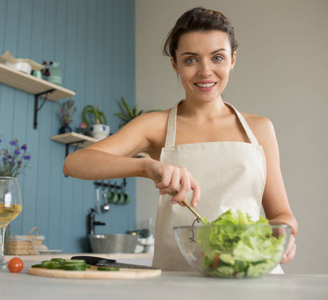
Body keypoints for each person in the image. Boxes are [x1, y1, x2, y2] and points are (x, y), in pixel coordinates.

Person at [63, 7, 297, 271]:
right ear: (174, 63)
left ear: (232, 59)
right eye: (190, 60)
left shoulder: (260, 128)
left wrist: (283, 233)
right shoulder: (155, 125)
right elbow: (75, 163)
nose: (205, 71)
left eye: (217, 57)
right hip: (179, 280)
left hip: (251, 276)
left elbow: (281, 215)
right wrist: (146, 166)